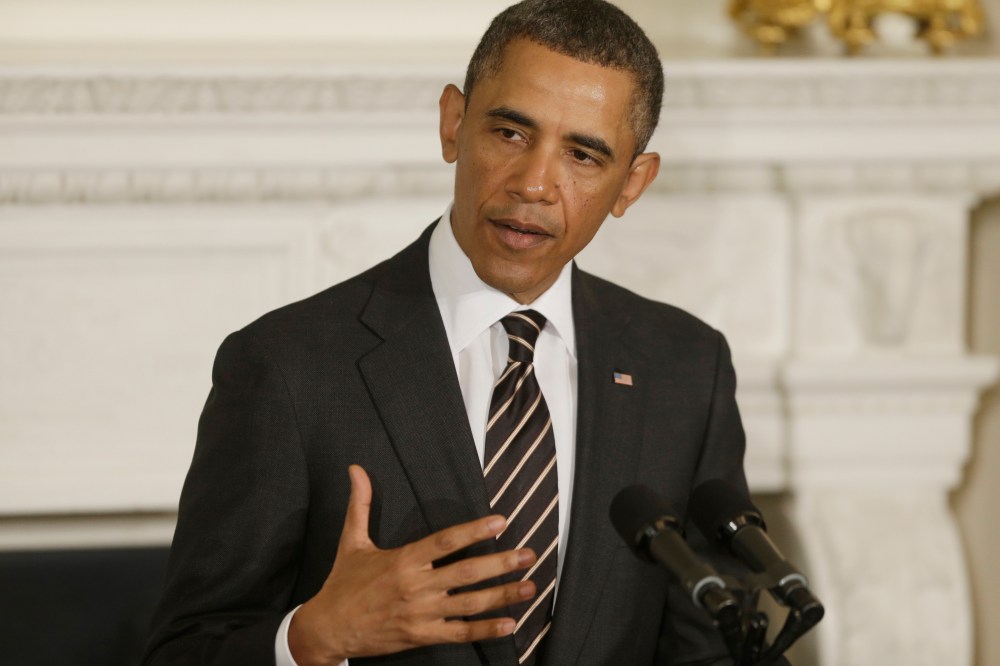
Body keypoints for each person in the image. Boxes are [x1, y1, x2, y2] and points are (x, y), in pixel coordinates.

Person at [142, 1, 749, 664]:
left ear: (632, 182)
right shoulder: (288, 367)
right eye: (511, 134)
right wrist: (312, 637)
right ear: (453, 124)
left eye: (582, 154)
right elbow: (182, 651)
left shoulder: (686, 369)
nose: (535, 184)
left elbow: (706, 649)